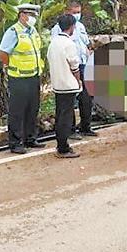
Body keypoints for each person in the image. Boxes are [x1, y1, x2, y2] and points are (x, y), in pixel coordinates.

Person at [0, 4, 45, 155]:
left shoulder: (33, 31)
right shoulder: (13, 32)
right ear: (22, 15)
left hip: (33, 76)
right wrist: (12, 66)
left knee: (33, 108)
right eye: (31, 16)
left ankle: (30, 138)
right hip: (18, 78)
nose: (33, 19)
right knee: (17, 112)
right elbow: (2, 53)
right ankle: (16, 142)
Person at [51, 0, 98, 138]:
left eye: (79, 12)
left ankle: (85, 127)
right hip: (69, 68)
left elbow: (86, 45)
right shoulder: (57, 29)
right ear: (67, 12)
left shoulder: (81, 27)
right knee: (70, 99)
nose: (77, 15)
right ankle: (70, 130)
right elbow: (58, 49)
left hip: (84, 65)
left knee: (87, 97)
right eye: (74, 12)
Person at [47, 14, 83, 158]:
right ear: (72, 26)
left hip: (57, 84)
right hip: (68, 84)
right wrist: (78, 80)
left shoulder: (53, 43)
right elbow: (74, 66)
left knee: (60, 114)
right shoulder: (69, 44)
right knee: (66, 117)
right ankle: (63, 148)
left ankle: (61, 144)